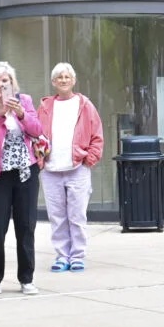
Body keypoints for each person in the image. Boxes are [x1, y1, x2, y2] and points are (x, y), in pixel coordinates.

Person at [0, 61, 42, 295]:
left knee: (26, 225)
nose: (1, 85)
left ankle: (27, 278)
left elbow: (37, 130)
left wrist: (21, 114)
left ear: (12, 83)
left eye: (5, 80)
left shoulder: (24, 101)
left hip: (25, 171)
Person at [36, 62, 104, 273]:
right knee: (57, 216)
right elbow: (35, 134)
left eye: (67, 77)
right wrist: (39, 159)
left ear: (73, 80)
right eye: (59, 77)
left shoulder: (85, 105)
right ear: (53, 82)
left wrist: (89, 160)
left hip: (77, 169)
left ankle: (77, 256)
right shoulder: (46, 107)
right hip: (51, 170)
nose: (63, 80)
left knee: (77, 216)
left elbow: (97, 136)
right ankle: (62, 255)